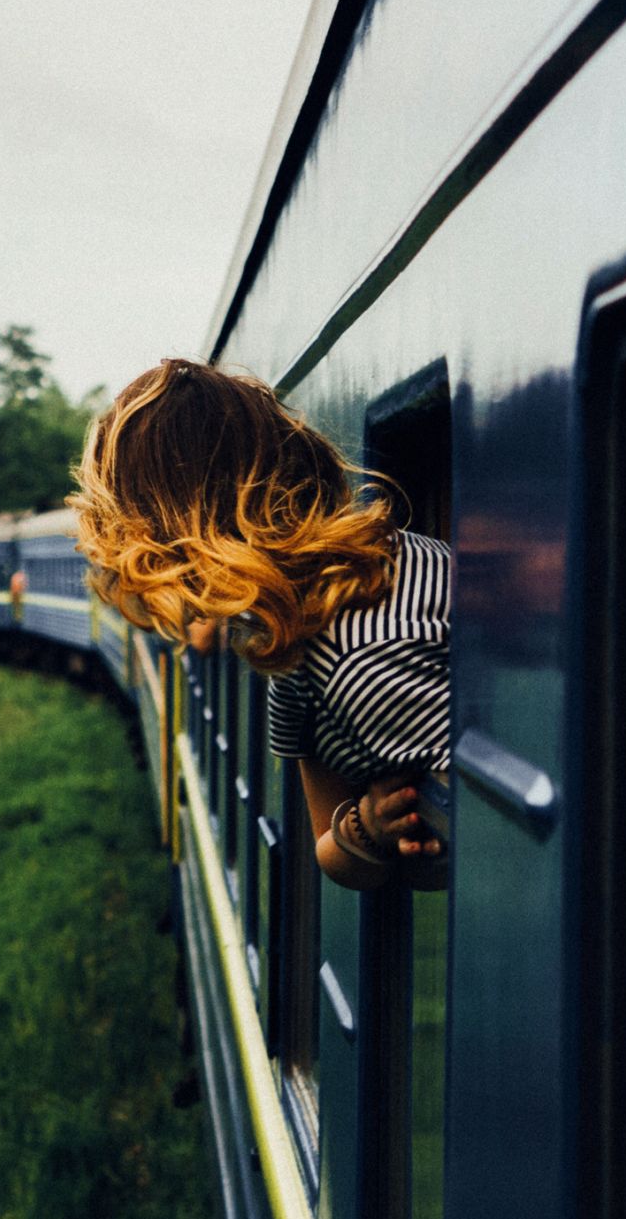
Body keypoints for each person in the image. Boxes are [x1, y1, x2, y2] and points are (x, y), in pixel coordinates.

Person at [71, 357, 449, 890]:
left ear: (180, 539)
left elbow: (497, 844)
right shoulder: (307, 638)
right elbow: (330, 841)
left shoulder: (359, 661)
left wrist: (399, 831)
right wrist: (366, 825)